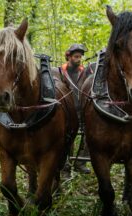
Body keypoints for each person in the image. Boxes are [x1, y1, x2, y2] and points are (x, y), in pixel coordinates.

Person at [58, 44, 92, 178]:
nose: (79, 59)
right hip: (67, 109)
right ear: (69, 57)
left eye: (80, 56)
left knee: (89, 135)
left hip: (82, 108)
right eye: (76, 56)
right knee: (67, 138)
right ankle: (65, 167)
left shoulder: (86, 71)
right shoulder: (60, 71)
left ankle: (80, 163)